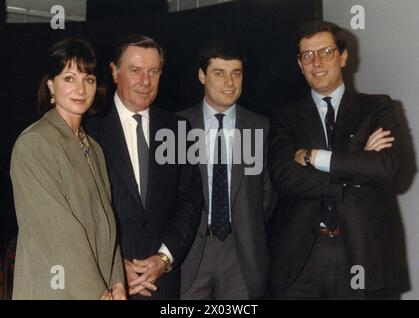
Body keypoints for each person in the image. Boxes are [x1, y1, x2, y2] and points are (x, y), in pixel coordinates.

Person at [268, 20, 401, 299]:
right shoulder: (285, 116)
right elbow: (283, 176)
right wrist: (355, 171)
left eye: (326, 52)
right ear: (299, 64)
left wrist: (312, 156)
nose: (317, 62)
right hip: (300, 259)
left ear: (343, 56)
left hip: (361, 255)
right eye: (307, 55)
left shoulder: (377, 107)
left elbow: (386, 168)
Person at [86, 35, 202, 299]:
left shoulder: (178, 129)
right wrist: (115, 266)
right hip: (105, 282)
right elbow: (82, 211)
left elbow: (190, 200)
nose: (146, 81)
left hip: (162, 282)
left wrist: (164, 258)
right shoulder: (89, 129)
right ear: (114, 72)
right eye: (136, 71)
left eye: (154, 72)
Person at [10, 38, 126, 300]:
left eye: (89, 79)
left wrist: (117, 281)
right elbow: (59, 233)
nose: (81, 89)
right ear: (51, 84)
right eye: (69, 78)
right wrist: (98, 292)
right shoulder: (35, 143)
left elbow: (107, 222)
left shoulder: (93, 148)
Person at [178, 39, 273, 299]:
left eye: (236, 74)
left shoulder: (262, 128)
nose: (229, 83)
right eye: (219, 74)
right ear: (201, 75)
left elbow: (267, 196)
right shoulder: (176, 126)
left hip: (241, 256)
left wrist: (244, 225)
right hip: (190, 254)